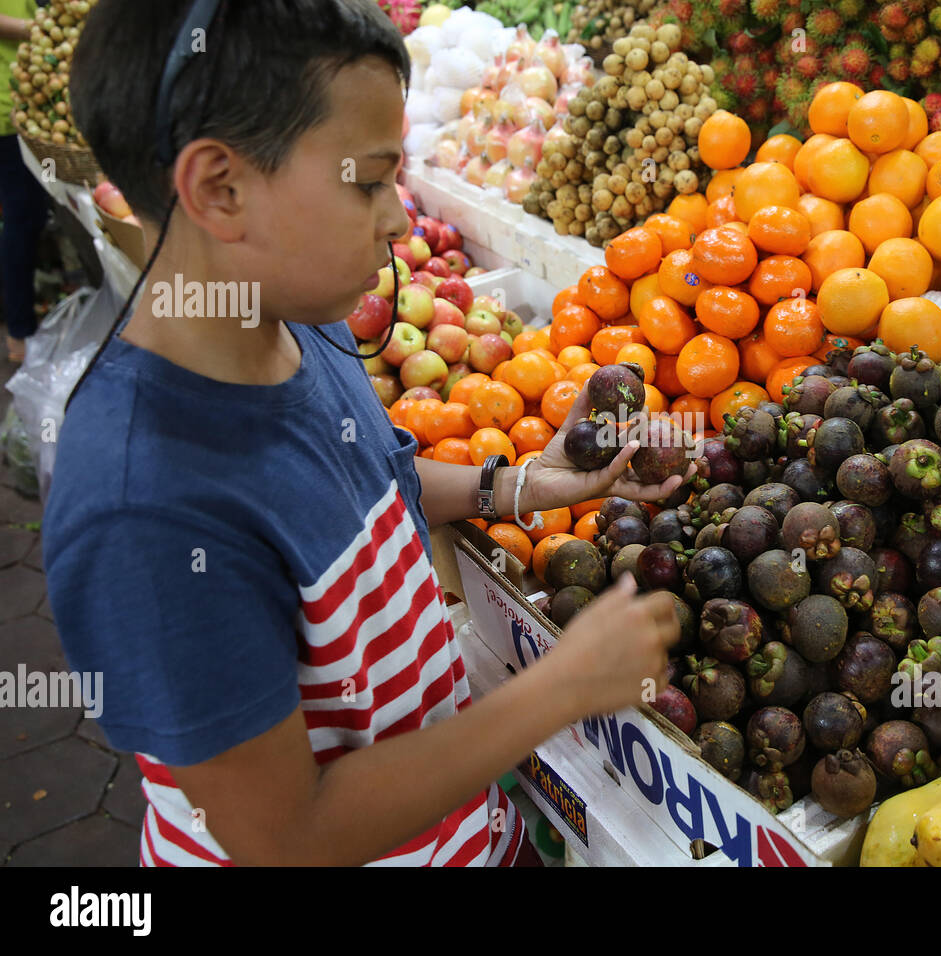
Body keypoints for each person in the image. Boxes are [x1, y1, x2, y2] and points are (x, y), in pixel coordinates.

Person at [43, 0, 687, 866]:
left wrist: (524, 484)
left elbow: (376, 484)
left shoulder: (302, 326)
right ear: (219, 190)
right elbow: (285, 836)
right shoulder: (147, 510)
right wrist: (560, 689)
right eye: (368, 181)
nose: (398, 219)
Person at [0, 0, 45, 364]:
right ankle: (18, 331)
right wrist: (41, 30)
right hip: (6, 108)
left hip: (26, 100)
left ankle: (20, 323)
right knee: (23, 217)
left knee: (26, 216)